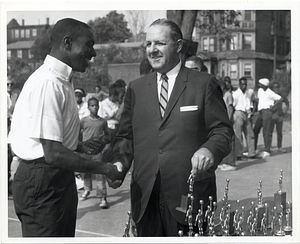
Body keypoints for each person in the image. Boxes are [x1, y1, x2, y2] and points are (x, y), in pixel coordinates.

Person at [108, 18, 233, 236]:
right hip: (145, 197)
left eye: (159, 43)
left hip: (188, 193)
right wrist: (119, 163)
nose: (152, 50)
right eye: (148, 44)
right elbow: (125, 137)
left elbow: (222, 132)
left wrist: (209, 150)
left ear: (178, 46)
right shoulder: (136, 88)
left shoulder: (203, 84)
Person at [8, 18, 121, 237]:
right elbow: (52, 153)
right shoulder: (48, 82)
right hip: (42, 178)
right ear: (67, 43)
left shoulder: (62, 80)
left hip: (55, 176)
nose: (93, 53)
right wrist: (105, 169)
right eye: (88, 45)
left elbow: (49, 142)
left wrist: (79, 145)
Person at [79, 97, 110, 208]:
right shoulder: (83, 121)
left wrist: (105, 146)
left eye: (96, 105)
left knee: (100, 174)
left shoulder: (102, 121)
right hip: (86, 152)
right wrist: (80, 146)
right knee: (86, 172)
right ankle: (87, 190)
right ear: (88, 107)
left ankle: (103, 197)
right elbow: (78, 134)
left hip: (98, 152)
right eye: (92, 105)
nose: (95, 107)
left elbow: (107, 136)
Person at [253, 78, 282, 158]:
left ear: (264, 85)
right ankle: (253, 149)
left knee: (266, 131)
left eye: (260, 84)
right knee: (255, 130)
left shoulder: (270, 92)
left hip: (267, 112)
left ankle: (267, 150)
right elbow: (258, 100)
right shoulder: (260, 91)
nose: (259, 85)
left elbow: (280, 99)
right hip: (260, 112)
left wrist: (273, 106)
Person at [232, 77, 257, 160]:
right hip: (239, 113)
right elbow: (232, 106)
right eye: (242, 84)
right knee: (238, 135)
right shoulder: (235, 94)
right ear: (239, 85)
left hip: (247, 113)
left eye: (245, 84)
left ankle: (251, 153)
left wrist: (253, 111)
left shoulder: (249, 92)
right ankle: (238, 154)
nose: (244, 86)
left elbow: (254, 100)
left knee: (250, 134)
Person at [219, 76, 236, 171]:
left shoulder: (228, 94)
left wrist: (228, 121)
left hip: (227, 120)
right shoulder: (222, 94)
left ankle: (232, 163)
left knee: (231, 142)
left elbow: (230, 108)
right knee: (224, 141)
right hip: (222, 120)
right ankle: (225, 161)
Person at [269, 82, 289, 153]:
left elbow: (287, 103)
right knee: (270, 132)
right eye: (275, 87)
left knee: (279, 132)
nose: (276, 89)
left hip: (279, 115)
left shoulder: (281, 95)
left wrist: (285, 112)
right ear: (272, 88)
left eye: (277, 87)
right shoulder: (270, 95)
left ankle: (279, 147)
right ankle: (269, 147)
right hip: (271, 115)